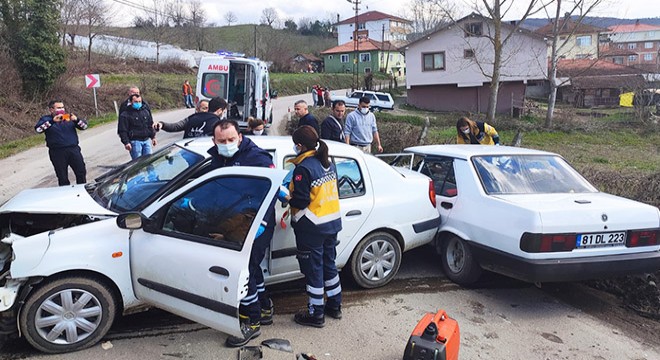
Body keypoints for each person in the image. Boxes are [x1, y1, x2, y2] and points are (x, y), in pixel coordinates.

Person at [208, 120, 277, 347]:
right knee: (253, 270)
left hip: (254, 224)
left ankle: (251, 322)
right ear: (214, 141)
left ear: (239, 136)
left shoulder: (257, 159)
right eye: (222, 141)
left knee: (243, 274)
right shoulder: (218, 157)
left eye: (230, 140)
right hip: (233, 221)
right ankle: (264, 307)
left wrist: (261, 225)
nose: (227, 144)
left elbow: (272, 190)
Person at [287, 125, 343, 328]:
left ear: (300, 145)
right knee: (330, 265)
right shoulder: (328, 162)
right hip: (331, 223)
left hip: (311, 227)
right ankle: (335, 306)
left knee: (313, 270)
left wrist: (286, 197)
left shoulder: (303, 168)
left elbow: (301, 201)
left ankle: (315, 313)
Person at [35, 100, 88, 186]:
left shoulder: (68, 117)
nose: (61, 109)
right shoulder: (46, 119)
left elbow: (84, 126)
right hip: (57, 152)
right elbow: (38, 130)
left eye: (62, 107)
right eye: (59, 108)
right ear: (52, 110)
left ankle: (81, 190)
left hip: (73, 149)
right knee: (62, 176)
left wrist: (76, 120)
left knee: (81, 171)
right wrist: (52, 122)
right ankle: (65, 194)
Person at [154, 99, 223, 138]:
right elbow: (176, 126)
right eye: (204, 108)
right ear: (197, 109)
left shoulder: (215, 122)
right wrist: (162, 125)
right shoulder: (191, 119)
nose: (206, 111)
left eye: (207, 108)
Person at [118, 94, 157, 159]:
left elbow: (150, 125)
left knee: (149, 162)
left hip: (146, 141)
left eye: (139, 101)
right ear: (131, 102)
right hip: (135, 142)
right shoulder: (125, 115)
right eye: (136, 102)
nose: (138, 103)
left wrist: (153, 137)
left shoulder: (145, 112)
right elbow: (123, 130)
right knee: (138, 163)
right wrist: (126, 142)